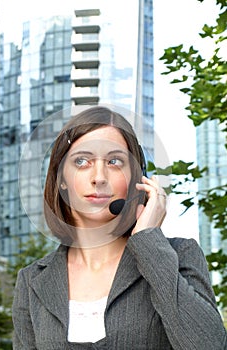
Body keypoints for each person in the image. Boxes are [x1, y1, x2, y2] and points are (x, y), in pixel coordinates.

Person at [12, 106, 227, 349]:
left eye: (114, 161)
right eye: (82, 161)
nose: (99, 177)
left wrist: (149, 242)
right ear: (61, 179)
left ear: (136, 179)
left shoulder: (179, 255)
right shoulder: (32, 280)